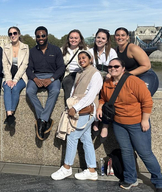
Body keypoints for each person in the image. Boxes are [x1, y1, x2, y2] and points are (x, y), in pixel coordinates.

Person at [96, 58, 162, 190]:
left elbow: (147, 102)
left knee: (145, 153)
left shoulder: (134, 81)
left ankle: (159, 181)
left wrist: (144, 120)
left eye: (116, 66)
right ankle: (130, 179)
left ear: (123, 68)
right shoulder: (107, 82)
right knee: (126, 152)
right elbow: (103, 98)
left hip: (137, 123)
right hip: (119, 124)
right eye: (110, 67)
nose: (113, 68)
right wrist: (99, 107)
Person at [51, 50, 102, 181]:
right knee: (86, 139)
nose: (81, 60)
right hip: (79, 108)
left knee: (72, 136)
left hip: (86, 109)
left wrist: (76, 107)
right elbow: (74, 90)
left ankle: (67, 167)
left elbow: (91, 95)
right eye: (79, 58)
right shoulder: (80, 72)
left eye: (84, 57)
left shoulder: (95, 74)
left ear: (90, 59)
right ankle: (91, 170)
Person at [26, 26, 65, 140]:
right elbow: (28, 68)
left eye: (43, 35)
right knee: (29, 91)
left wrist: (52, 79)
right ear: (36, 38)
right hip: (37, 76)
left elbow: (61, 68)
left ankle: (41, 120)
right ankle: (45, 119)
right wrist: (34, 78)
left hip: (52, 76)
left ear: (47, 36)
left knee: (56, 90)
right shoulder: (32, 51)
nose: (40, 38)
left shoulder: (56, 49)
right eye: (38, 36)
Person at [89, 28, 117, 141]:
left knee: (108, 96)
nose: (100, 40)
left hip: (108, 78)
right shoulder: (90, 51)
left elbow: (115, 67)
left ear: (107, 41)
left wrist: (110, 74)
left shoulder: (112, 52)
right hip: (95, 78)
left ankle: (105, 125)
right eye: (98, 37)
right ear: (95, 38)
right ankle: (95, 121)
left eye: (103, 38)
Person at [115, 27, 159, 96]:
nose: (120, 37)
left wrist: (126, 75)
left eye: (123, 35)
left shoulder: (133, 48)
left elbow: (147, 66)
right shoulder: (115, 51)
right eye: (117, 35)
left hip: (146, 75)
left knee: (142, 96)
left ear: (127, 37)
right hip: (131, 77)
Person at [2, 26, 29, 126]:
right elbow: (4, 64)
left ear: (19, 34)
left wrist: (16, 79)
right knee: (7, 87)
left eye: (15, 33)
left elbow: (24, 65)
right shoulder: (5, 47)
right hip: (9, 74)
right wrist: (9, 79)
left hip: (21, 75)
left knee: (16, 88)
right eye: (10, 34)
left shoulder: (25, 47)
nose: (13, 35)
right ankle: (10, 115)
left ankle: (10, 115)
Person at [61, 29, 88, 106]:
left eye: (76, 38)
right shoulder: (62, 50)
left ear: (80, 39)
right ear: (68, 39)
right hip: (68, 74)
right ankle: (69, 106)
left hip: (81, 73)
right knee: (68, 83)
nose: (73, 40)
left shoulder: (85, 49)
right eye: (71, 38)